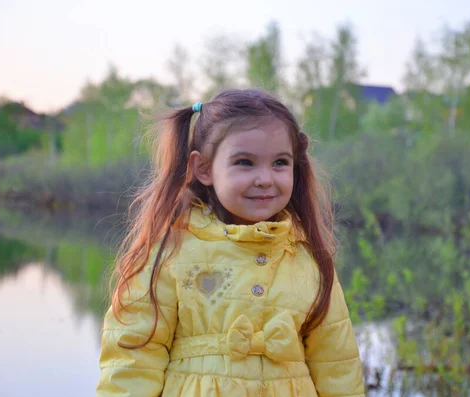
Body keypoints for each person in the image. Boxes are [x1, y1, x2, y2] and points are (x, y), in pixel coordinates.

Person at [96, 89, 365, 396]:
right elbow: (133, 360)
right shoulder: (171, 250)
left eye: (280, 162)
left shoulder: (308, 257)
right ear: (204, 168)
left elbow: (338, 364)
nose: (265, 178)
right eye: (245, 162)